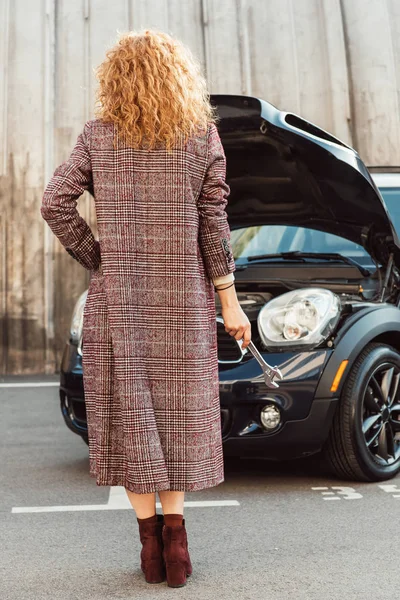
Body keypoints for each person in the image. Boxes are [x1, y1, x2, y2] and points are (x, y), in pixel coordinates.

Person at [40, 28, 251, 588]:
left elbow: (54, 203)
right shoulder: (202, 138)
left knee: (131, 420)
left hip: (120, 304)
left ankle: (150, 549)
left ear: (115, 80)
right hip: (184, 302)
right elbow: (214, 226)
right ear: (180, 78)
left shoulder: (97, 137)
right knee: (178, 419)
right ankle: (178, 547)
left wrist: (99, 257)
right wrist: (229, 302)